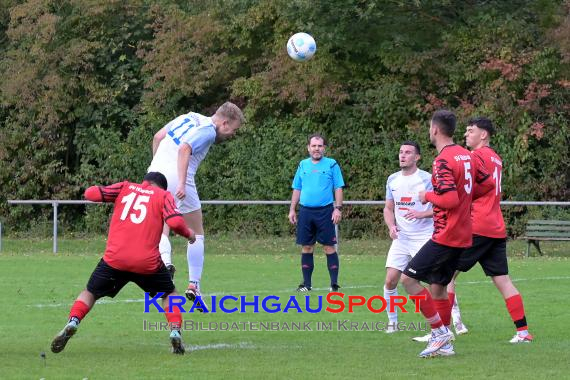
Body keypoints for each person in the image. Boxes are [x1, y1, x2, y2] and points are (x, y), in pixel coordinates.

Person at [50, 172, 196, 355]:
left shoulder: (125, 187)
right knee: (169, 293)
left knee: (91, 292)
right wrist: (190, 235)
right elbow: (174, 222)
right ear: (161, 186)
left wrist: (106, 190)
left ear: (146, 181)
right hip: (146, 263)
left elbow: (90, 194)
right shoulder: (163, 195)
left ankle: (73, 321)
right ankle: (175, 331)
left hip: (115, 260)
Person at [400, 110, 492, 358]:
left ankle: (439, 333)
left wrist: (426, 196)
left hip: (446, 234)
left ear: (435, 130)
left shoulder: (442, 160)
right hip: (463, 234)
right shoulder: (467, 155)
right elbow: (488, 185)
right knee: (438, 287)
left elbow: (449, 199)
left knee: (408, 280)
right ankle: (445, 344)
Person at [148, 102, 245, 308]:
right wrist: (181, 182)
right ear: (225, 123)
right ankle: (194, 285)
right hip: (178, 176)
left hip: (153, 174)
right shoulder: (209, 131)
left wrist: (156, 166)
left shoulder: (189, 115)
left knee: (161, 227)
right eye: (233, 130)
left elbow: (158, 136)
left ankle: (165, 264)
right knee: (196, 231)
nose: (231, 134)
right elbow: (185, 149)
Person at [446, 117, 533, 343]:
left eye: (470, 130)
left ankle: (441, 333)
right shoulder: (496, 158)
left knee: (445, 274)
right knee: (503, 280)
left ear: (483, 135)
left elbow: (467, 189)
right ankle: (523, 332)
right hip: (495, 226)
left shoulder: (475, 157)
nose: (465, 134)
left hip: (477, 225)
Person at [288, 133, 345, 292]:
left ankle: (334, 285)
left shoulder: (332, 164)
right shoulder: (302, 165)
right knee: (306, 247)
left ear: (324, 148)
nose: (316, 149)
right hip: (306, 212)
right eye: (313, 146)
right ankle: (306, 285)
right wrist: (292, 209)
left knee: (329, 247)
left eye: (320, 146)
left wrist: (337, 208)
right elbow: (297, 188)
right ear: (308, 148)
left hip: (326, 211)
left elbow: (338, 187)